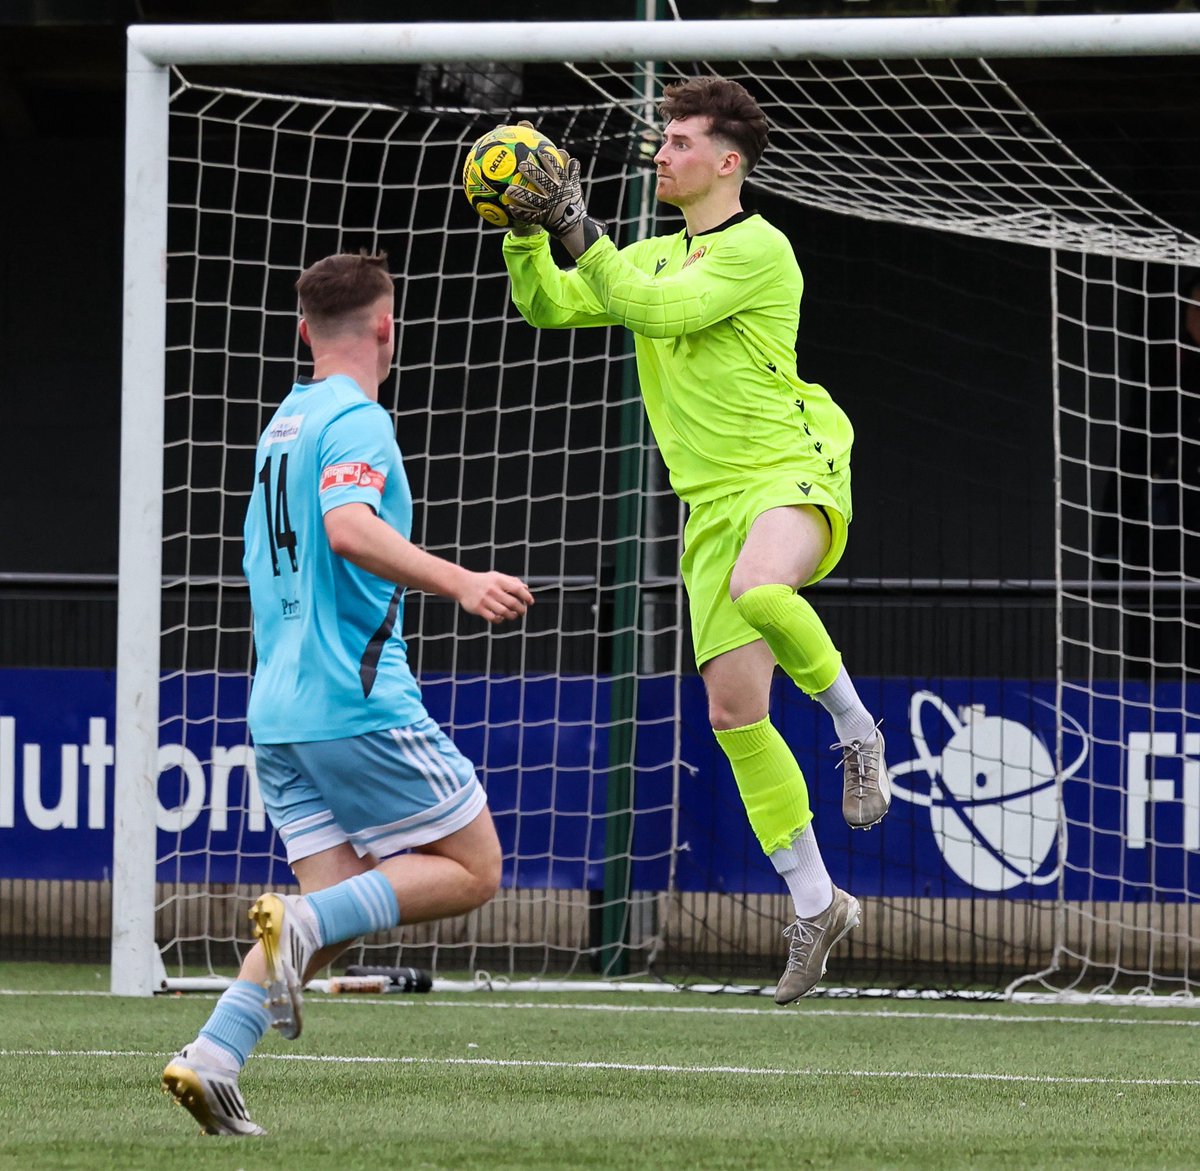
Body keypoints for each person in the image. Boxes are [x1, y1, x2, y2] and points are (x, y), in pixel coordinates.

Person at [498, 78, 889, 1004]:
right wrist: (524, 228)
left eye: (678, 142)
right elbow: (553, 307)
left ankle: (856, 729)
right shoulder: (647, 254)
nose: (661, 154)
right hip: (708, 503)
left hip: (788, 466)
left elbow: (657, 312)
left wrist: (577, 226)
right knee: (734, 714)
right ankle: (818, 900)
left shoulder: (760, 248)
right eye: (661, 139)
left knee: (763, 588)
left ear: (727, 162)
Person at [161, 250, 534, 1135]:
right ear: (386, 327)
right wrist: (462, 581)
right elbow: (348, 528)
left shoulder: (282, 421)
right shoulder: (358, 418)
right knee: (474, 868)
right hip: (353, 701)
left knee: (331, 919)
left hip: (279, 712)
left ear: (302, 330)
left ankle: (213, 1053)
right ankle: (288, 928)